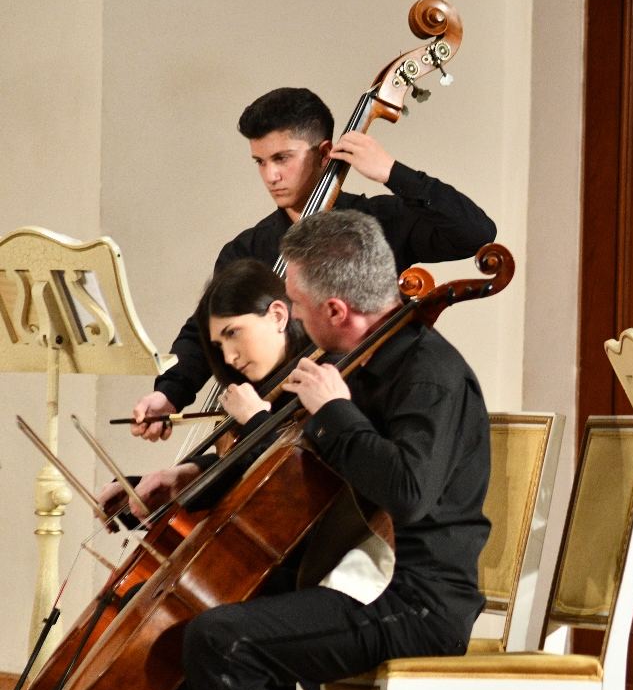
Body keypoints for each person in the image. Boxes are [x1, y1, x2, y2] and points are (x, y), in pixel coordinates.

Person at [169, 208, 489, 690]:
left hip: (414, 600)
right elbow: (289, 453)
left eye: (299, 303)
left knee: (224, 641)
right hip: (352, 579)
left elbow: (410, 493)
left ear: (338, 310)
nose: (296, 317)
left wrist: (337, 415)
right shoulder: (358, 359)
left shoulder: (431, 374)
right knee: (183, 621)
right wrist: (196, 474)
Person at [131, 86, 495, 440]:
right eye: (260, 162)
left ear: (324, 153)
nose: (270, 176)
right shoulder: (248, 249)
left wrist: (392, 171)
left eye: (282, 158)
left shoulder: (377, 226)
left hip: (364, 426)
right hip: (272, 435)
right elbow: (203, 333)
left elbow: (474, 231)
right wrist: (168, 394)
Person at [93, 259, 310, 690]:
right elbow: (234, 469)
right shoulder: (260, 389)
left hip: (297, 572)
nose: (230, 356)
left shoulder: (317, 380)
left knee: (176, 638)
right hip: (249, 564)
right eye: (219, 343)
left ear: (280, 314)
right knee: (146, 634)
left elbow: (300, 477)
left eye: (235, 333)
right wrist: (168, 477)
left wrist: (259, 421)